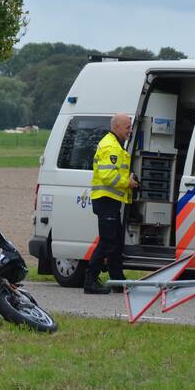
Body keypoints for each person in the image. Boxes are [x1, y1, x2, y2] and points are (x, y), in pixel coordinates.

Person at [84, 113, 139, 294]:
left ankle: (117, 281)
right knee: (107, 242)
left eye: (130, 127)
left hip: (111, 201)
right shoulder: (110, 146)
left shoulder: (115, 144)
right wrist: (127, 182)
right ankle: (90, 281)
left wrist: (129, 180)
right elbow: (108, 176)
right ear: (116, 127)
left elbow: (113, 174)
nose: (130, 130)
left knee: (115, 241)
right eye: (127, 127)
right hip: (106, 200)